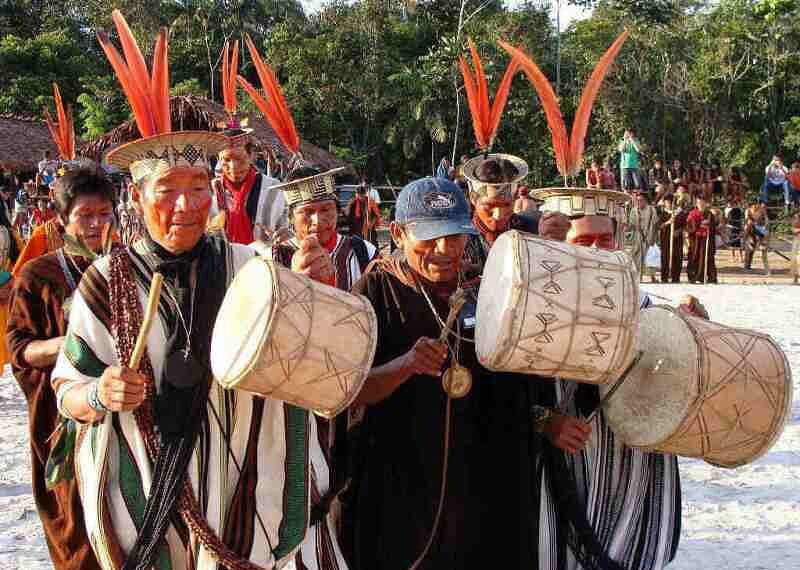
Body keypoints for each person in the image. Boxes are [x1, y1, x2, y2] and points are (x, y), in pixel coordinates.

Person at [51, 12, 349, 569]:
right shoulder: (104, 282)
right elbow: (67, 386)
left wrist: (316, 291)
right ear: (137, 200)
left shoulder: (253, 268)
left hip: (248, 498)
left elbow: (308, 354)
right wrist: (101, 393)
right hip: (151, 504)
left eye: (196, 187)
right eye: (166, 189)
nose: (185, 205)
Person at [345, 177, 619, 570]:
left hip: (485, 485)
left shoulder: (490, 289)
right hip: (398, 486)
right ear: (398, 233)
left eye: (455, 236)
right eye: (429, 237)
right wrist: (403, 366)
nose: (445, 250)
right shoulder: (375, 293)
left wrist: (548, 422)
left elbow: (522, 389)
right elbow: (349, 391)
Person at [536, 186, 682, 570]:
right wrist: (545, 422)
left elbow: (671, 358)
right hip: (559, 455)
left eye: (606, 238)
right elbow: (502, 388)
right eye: (584, 240)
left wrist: (690, 323)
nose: (598, 250)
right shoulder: (532, 302)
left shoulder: (643, 303)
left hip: (627, 460)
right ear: (561, 242)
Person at [6, 168, 113, 570]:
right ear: (61, 219)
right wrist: (74, 346)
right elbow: (20, 349)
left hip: (122, 413)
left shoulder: (123, 266)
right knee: (76, 524)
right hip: (62, 419)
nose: (97, 225)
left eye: (105, 214)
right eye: (86, 215)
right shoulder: (38, 275)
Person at [210, 40, 287, 244]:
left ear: (252, 155)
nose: (233, 166)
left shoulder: (274, 189)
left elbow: (288, 230)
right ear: (219, 158)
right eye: (226, 160)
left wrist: (286, 237)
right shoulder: (209, 191)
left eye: (240, 158)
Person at [462, 154, 538, 273]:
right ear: (473, 199)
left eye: (507, 205)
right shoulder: (460, 242)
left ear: (514, 200)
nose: (498, 216)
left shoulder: (530, 230)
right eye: (489, 206)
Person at [626, 190, 659, 281]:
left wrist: (652, 235)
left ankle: (652, 277)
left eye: (641, 200)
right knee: (636, 256)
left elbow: (655, 223)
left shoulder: (651, 209)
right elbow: (631, 224)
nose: (639, 202)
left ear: (645, 200)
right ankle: (637, 276)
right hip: (637, 236)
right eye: (637, 200)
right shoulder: (634, 210)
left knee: (650, 256)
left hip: (649, 236)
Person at [686, 195, 718, 283]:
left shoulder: (709, 214)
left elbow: (714, 227)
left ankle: (709, 277)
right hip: (696, 240)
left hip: (706, 239)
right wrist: (699, 224)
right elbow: (688, 227)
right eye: (699, 203)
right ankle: (694, 276)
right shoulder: (692, 214)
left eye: (703, 203)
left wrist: (709, 225)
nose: (701, 204)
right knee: (694, 257)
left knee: (708, 257)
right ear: (696, 204)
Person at [658, 194, 687, 283]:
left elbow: (684, 226)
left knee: (677, 257)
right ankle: (665, 277)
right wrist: (668, 222)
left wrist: (679, 231)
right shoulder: (663, 213)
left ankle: (675, 277)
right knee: (665, 257)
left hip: (677, 240)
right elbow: (660, 226)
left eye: (669, 202)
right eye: (666, 202)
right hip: (666, 239)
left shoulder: (680, 213)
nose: (668, 204)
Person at [743, 200, 770, 275]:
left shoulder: (762, 210)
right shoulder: (748, 211)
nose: (755, 206)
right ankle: (747, 265)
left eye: (756, 205)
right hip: (751, 229)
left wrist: (765, 226)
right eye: (753, 205)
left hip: (760, 228)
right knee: (749, 249)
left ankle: (762, 243)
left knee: (762, 249)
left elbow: (766, 219)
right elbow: (746, 221)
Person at [724, 195, 744, 262]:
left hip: (732, 226)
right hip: (738, 226)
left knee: (733, 241)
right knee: (738, 241)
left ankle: (734, 257)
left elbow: (727, 219)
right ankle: (740, 257)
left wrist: (727, 226)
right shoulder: (740, 209)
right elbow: (741, 219)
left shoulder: (728, 210)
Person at [791, 212, 800, 284]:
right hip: (797, 240)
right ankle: (795, 277)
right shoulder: (797, 217)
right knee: (795, 260)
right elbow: (794, 230)